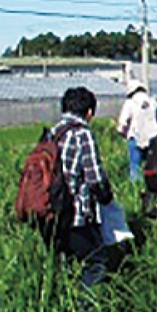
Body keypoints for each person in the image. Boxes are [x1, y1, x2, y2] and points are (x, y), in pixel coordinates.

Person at [53, 87, 112, 290]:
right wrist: (107, 199)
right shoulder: (82, 134)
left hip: (53, 212)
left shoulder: (53, 133)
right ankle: (88, 310)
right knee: (96, 262)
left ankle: (64, 303)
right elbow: (95, 178)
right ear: (89, 112)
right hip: (77, 213)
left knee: (65, 262)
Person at [116, 81, 157, 182]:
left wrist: (124, 134)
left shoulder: (130, 102)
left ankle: (135, 191)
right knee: (151, 167)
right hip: (153, 138)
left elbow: (122, 123)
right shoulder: (153, 101)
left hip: (135, 137)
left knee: (135, 167)